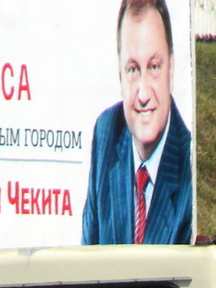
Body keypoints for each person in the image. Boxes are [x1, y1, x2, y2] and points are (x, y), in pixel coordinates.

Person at [82, 0, 192, 246]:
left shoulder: (191, 166)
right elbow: (84, 267)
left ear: (171, 70)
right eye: (133, 70)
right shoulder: (107, 132)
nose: (143, 94)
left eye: (154, 67)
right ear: (120, 75)